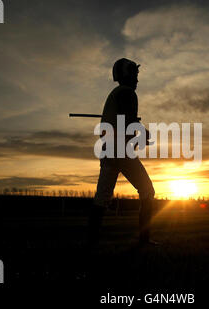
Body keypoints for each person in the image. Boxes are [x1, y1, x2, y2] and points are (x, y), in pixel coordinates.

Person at [88, 58, 156, 246]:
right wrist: (142, 133)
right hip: (121, 151)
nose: (137, 80)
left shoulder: (116, 93)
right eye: (134, 75)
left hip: (109, 150)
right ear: (126, 75)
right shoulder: (127, 93)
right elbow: (129, 122)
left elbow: (124, 121)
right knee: (148, 191)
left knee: (102, 197)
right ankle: (144, 240)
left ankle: (91, 241)